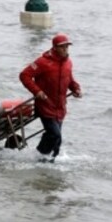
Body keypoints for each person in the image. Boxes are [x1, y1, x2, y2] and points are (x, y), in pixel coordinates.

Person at [19, 33, 82, 161]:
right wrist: (37, 92)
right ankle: (38, 157)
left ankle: (50, 164)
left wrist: (76, 88)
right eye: (62, 47)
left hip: (60, 107)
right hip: (45, 105)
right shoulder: (42, 62)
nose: (65, 49)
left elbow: (69, 80)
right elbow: (24, 75)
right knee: (54, 134)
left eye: (67, 46)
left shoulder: (68, 63)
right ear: (54, 48)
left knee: (57, 140)